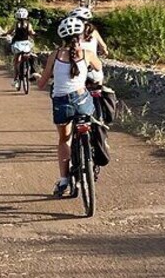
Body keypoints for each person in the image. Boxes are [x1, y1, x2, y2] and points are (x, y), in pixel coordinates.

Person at [37, 16, 103, 197]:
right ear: (80, 36)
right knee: (93, 119)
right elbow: (98, 67)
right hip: (82, 101)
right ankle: (92, 154)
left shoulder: (55, 56)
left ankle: (64, 180)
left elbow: (42, 84)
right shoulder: (87, 54)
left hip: (62, 103)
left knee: (64, 139)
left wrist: (37, 77)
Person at [68, 7, 108, 86]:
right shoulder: (94, 32)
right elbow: (103, 46)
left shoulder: (72, 35)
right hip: (92, 67)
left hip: (76, 68)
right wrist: (104, 52)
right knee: (99, 83)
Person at [9, 7, 36, 89]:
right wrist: (36, 34)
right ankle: (32, 72)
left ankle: (16, 79)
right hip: (26, 44)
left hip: (17, 44)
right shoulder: (28, 24)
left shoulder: (16, 24)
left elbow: (9, 31)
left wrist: (5, 34)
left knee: (16, 61)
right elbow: (31, 32)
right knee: (30, 55)